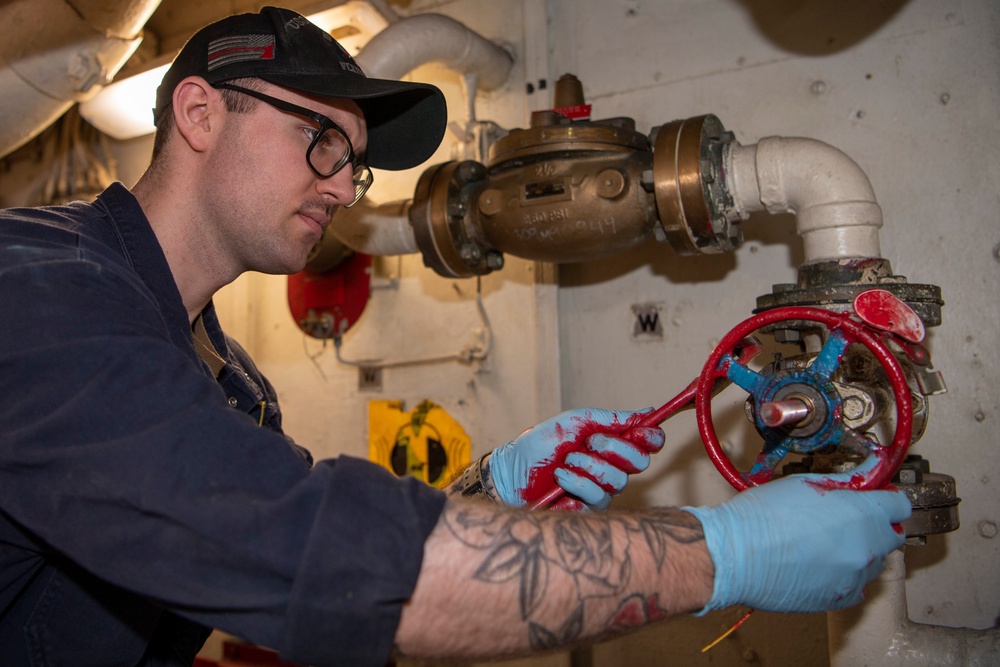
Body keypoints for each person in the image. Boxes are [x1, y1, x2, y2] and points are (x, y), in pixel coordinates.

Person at [0, 6, 911, 666]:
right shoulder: (39, 288)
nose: (340, 182)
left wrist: (495, 486)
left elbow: (279, 564)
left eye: (355, 166)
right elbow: (317, 559)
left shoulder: (228, 377)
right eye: (320, 138)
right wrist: (724, 552)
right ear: (198, 114)